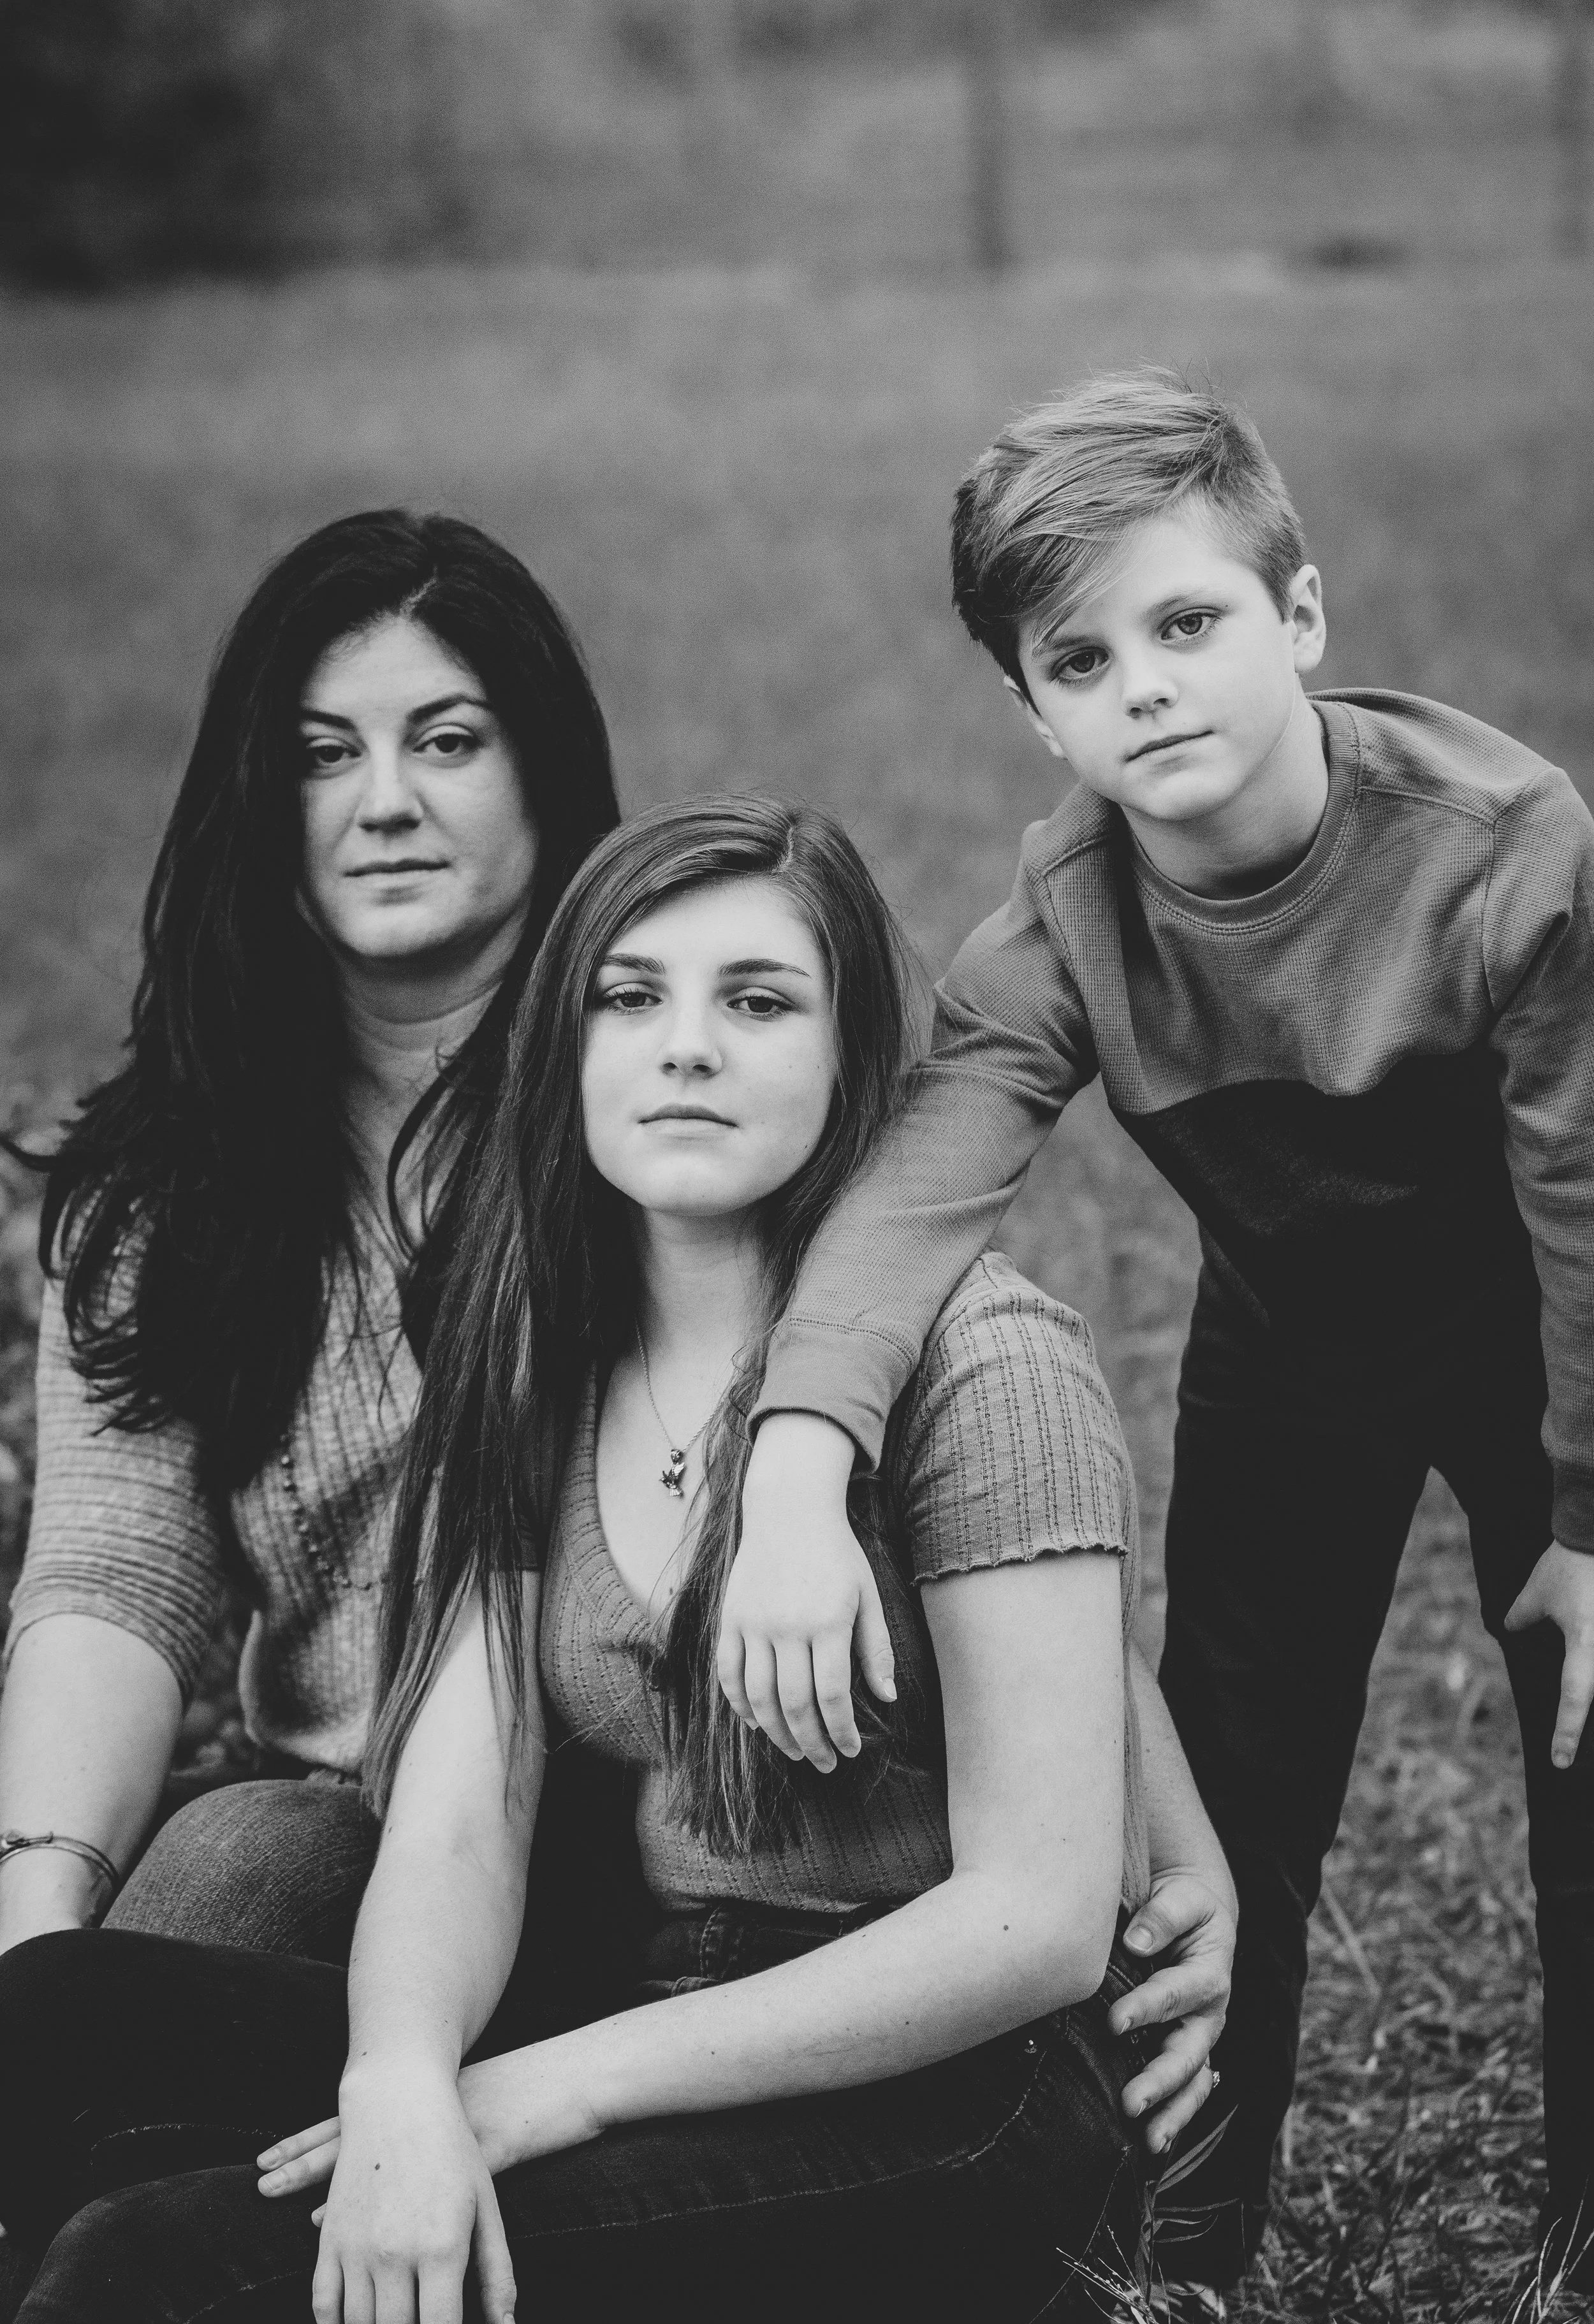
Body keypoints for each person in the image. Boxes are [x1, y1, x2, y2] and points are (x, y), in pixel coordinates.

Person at [0, 797, 1234, 2323]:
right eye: (629, 996)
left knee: (154, 2270)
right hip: (650, 1993)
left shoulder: (984, 1364)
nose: (685, 1045)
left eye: (758, 1001)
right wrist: (398, 2082)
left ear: (855, 1061)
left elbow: (1037, 1925)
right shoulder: (541, 1358)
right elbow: (460, 1821)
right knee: (54, 2017)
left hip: (954, 2098)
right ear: (563, 1049)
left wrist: (526, 2097)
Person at [714, 370, 1594, 2294]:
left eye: (1189, 622)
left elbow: (1582, 1201)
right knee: (1225, 1784)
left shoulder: (1508, 846)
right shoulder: (1055, 930)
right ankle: (1185, 2217)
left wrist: (1590, 1522)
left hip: (1546, 1344)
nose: (1149, 685)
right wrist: (796, 1459)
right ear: (1032, 708)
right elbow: (911, 1202)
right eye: (1083, 657)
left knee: (1592, 1748)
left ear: (1296, 616)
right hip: (1291, 1356)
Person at [0, 507, 622, 1966]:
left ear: (544, 767)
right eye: (322, 753)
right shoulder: (167, 1187)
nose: (383, 801)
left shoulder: (659, 1100)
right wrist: (38, 1918)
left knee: (234, 1865)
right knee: (234, 1864)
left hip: (655, 1828)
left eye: (448, 741)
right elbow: (115, 1579)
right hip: (347, 1828)